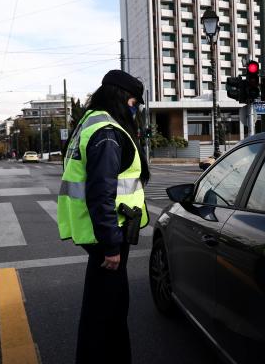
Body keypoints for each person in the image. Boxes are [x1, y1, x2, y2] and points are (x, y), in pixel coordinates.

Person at [57, 69, 151, 364]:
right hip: (108, 236)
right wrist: (111, 246)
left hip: (99, 233)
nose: (135, 110)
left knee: (103, 311)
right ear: (124, 98)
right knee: (106, 315)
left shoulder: (90, 121)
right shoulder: (108, 132)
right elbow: (101, 193)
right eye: (135, 103)